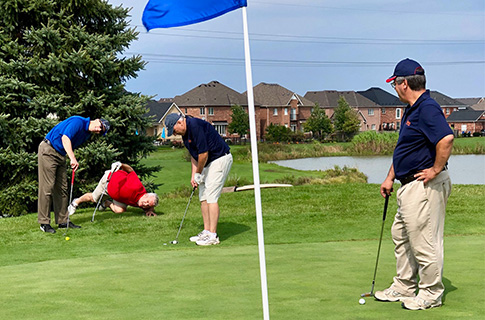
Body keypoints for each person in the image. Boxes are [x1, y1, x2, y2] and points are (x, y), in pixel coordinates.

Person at [375, 58, 454, 310]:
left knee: (424, 240)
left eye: (395, 84)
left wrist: (435, 169)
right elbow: (405, 149)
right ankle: (404, 286)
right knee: (401, 234)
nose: (394, 88)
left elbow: (446, 138)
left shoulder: (427, 107)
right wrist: (390, 177)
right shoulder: (412, 108)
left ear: (404, 83)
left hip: (424, 186)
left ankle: (431, 293)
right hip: (407, 184)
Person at [165, 113, 233, 246]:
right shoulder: (185, 136)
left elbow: (203, 153)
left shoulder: (195, 126)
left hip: (220, 159)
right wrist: (194, 175)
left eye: (174, 130)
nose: (175, 133)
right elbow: (194, 155)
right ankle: (207, 231)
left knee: (211, 196)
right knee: (203, 197)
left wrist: (199, 173)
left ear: (179, 123)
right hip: (207, 162)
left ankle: (213, 235)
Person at [38, 116, 110, 233]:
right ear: (97, 120)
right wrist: (72, 158)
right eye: (100, 126)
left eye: (101, 131)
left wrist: (69, 157)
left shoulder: (86, 134)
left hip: (60, 154)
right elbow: (65, 138)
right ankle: (44, 223)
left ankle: (63, 221)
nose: (98, 130)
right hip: (48, 150)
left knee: (62, 188)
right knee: (47, 187)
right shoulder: (78, 122)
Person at [68, 162, 159, 216]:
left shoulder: (142, 203)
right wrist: (121, 165)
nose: (145, 205)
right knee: (93, 198)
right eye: (146, 202)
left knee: (120, 211)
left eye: (147, 205)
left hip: (119, 197)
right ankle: (75, 203)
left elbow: (149, 206)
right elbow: (131, 170)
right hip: (108, 182)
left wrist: (149, 211)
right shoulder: (137, 187)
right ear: (145, 195)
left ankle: (107, 203)